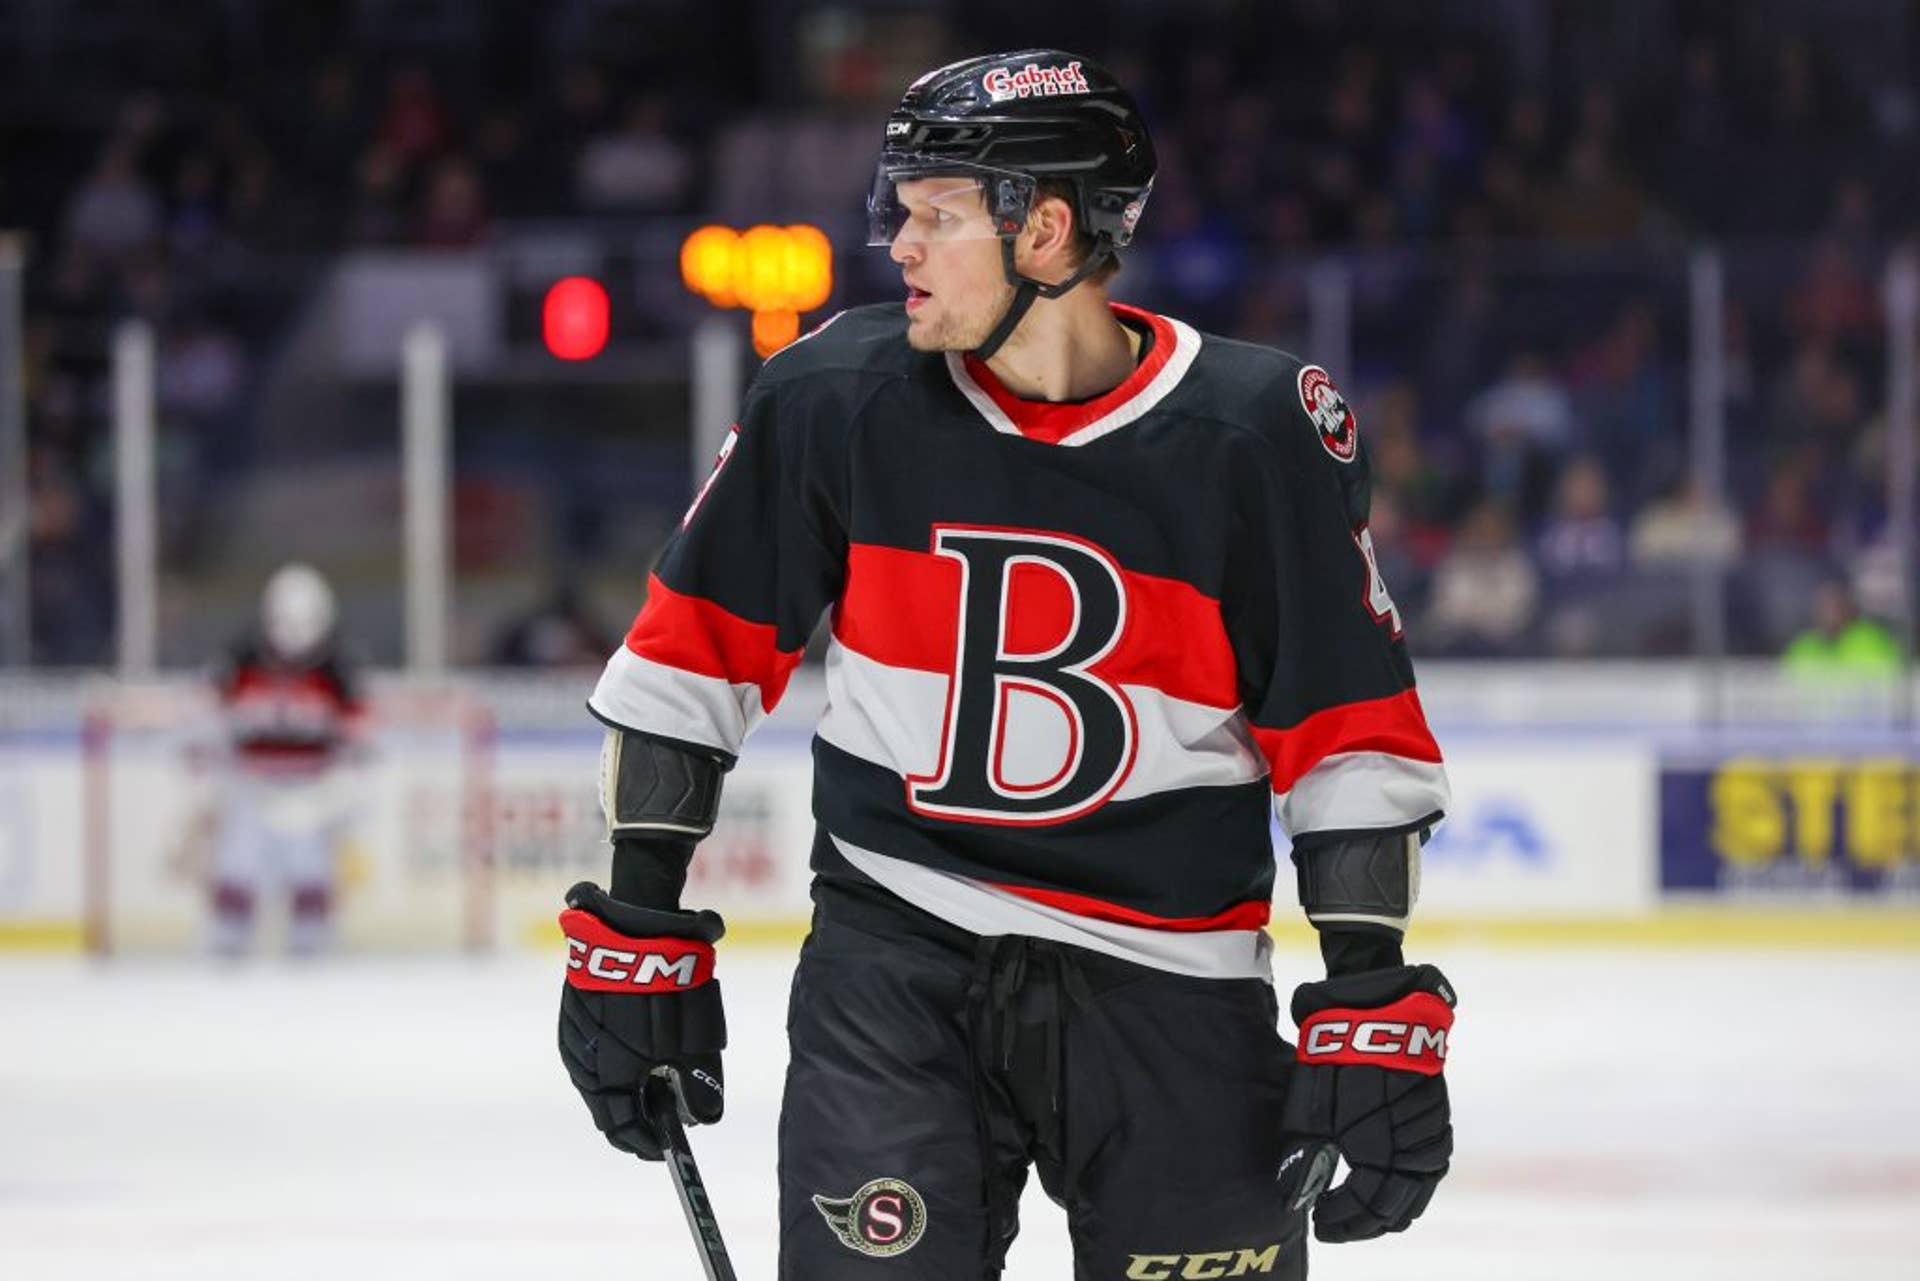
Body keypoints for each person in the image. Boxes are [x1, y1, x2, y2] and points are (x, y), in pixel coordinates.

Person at [558, 51, 1455, 1279]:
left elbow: (1347, 730)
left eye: (935, 216)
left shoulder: (1250, 434)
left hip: (1172, 985)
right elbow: (687, 661)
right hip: (897, 963)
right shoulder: (832, 398)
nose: (900, 248)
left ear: (1045, 231)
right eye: (902, 213)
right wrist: (637, 922)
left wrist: (1371, 1000)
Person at [200, 563, 363, 956]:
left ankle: (312, 932)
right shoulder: (240, 660)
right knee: (238, 859)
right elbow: (209, 714)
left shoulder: (337, 668)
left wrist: (340, 781)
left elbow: (358, 730)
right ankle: (229, 933)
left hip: (311, 785)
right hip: (250, 783)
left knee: (309, 862)